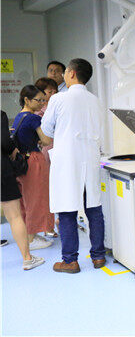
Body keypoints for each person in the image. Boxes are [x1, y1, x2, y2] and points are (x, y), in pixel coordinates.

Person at [41, 58, 105, 274]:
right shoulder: (95, 100)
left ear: (72, 74)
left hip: (68, 160)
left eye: (65, 72)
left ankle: (70, 260)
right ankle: (98, 256)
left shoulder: (59, 99)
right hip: (91, 159)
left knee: (67, 209)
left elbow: (47, 130)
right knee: (94, 208)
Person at [13, 85, 55, 250]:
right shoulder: (33, 118)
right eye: (39, 100)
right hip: (34, 160)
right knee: (37, 199)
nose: (42, 103)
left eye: (43, 100)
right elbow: (46, 140)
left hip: (21, 162)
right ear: (27, 100)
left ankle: (29, 234)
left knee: (26, 200)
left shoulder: (19, 117)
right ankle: (31, 239)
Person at [1, 110, 45, 270]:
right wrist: (12, 146)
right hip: (2, 170)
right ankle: (27, 259)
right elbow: (4, 142)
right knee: (14, 216)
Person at [34, 77, 60, 237]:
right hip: (46, 153)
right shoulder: (38, 112)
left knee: (58, 188)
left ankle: (58, 221)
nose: (53, 94)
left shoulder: (57, 106)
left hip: (59, 150)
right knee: (47, 191)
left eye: (55, 91)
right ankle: (48, 226)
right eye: (50, 91)